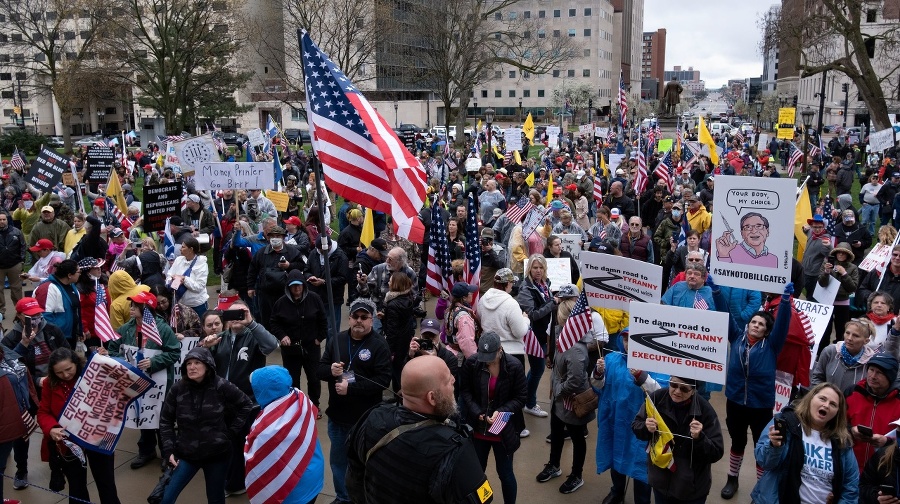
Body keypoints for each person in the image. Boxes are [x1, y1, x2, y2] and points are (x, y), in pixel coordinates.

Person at [346, 355, 490, 504]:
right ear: (432, 398)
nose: (454, 379)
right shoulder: (453, 452)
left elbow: (354, 479)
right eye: (447, 380)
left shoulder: (373, 419)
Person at [720, 283, 794, 500]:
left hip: (761, 405)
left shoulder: (772, 346)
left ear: (767, 330)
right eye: (753, 321)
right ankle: (732, 478)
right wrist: (716, 292)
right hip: (735, 401)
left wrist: (787, 301)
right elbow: (724, 314)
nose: (755, 325)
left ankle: (762, 486)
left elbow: (782, 324)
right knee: (737, 441)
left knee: (762, 445)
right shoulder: (736, 337)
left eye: (761, 324)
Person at [316, 298, 392, 504]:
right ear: (349, 319)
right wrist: (331, 371)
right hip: (338, 417)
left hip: (366, 420)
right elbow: (320, 370)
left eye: (364, 317)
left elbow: (383, 381)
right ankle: (343, 498)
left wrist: (351, 387)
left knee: (365, 463)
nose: (359, 321)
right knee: (338, 461)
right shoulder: (337, 340)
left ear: (372, 319)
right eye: (355, 317)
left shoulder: (379, 345)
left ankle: (364, 499)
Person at [199, 299, 277, 495]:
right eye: (231, 314)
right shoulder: (221, 337)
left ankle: (236, 484)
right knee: (226, 443)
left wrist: (250, 323)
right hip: (223, 401)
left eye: (240, 313)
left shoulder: (253, 336)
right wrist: (205, 347)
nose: (236, 319)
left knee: (241, 443)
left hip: (247, 402)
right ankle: (231, 479)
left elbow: (272, 345)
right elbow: (202, 365)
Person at [159, 347, 254, 504]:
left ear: (208, 365)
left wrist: (230, 432)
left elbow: (246, 404)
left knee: (215, 499)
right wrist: (168, 449)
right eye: (188, 363)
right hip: (186, 454)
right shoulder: (177, 389)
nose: (192, 367)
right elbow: (165, 420)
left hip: (217, 455)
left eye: (197, 362)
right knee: (166, 497)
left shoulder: (221, 385)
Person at [106, 291, 180, 470]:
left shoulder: (162, 329)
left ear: (146, 309)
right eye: (131, 305)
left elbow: (174, 352)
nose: (131, 309)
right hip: (136, 381)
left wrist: (154, 362)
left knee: (162, 418)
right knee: (142, 415)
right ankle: (146, 451)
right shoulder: (126, 328)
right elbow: (113, 348)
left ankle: (167, 453)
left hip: (159, 383)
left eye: (135, 306)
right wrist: (123, 361)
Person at [37, 348, 121, 504]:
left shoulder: (93, 374)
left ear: (76, 362)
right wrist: (52, 428)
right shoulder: (50, 383)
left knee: (106, 483)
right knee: (76, 487)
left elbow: (119, 381)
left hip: (98, 437)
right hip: (69, 442)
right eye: (59, 373)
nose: (66, 375)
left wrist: (107, 360)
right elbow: (43, 412)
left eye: (69, 369)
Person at [751, 382, 859, 504]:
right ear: (811, 398)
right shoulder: (786, 422)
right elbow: (764, 462)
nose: (826, 405)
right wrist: (774, 447)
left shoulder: (842, 443)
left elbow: (851, 487)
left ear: (837, 412)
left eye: (833, 404)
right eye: (822, 398)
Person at [535, 293, 596, 495]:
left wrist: (558, 391)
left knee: (577, 438)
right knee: (557, 432)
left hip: (571, 402)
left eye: (559, 313)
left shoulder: (577, 350)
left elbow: (576, 380)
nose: (556, 315)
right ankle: (554, 464)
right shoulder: (562, 334)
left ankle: (576, 475)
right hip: (558, 401)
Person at [632, 375, 725, 504]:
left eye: (684, 389)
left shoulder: (705, 411)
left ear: (693, 390)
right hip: (660, 483)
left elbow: (717, 451)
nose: (677, 391)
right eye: (673, 385)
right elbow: (636, 425)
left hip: (691, 490)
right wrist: (646, 427)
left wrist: (700, 438)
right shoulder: (657, 398)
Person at [460, 332, 527, 504]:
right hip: (478, 429)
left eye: (491, 357)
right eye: (484, 356)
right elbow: (465, 392)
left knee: (505, 473)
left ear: (500, 350)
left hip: (503, 430)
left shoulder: (514, 366)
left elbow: (520, 397)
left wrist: (502, 410)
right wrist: (477, 412)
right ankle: (484, 500)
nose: (487, 361)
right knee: (478, 473)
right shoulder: (472, 364)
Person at [594, 328, 658, 504]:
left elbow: (662, 393)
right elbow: (598, 386)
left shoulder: (655, 362)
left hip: (641, 425)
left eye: (633, 340)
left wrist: (642, 377)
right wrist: (598, 373)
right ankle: (617, 492)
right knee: (615, 456)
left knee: (640, 464)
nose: (628, 344)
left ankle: (642, 500)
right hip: (614, 421)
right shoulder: (611, 359)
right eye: (625, 339)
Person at [245, 365, 325, 504]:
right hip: (314, 474)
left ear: (262, 390)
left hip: (292, 489)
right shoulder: (300, 398)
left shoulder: (266, 428)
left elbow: (255, 457)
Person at [269, 270, 327, 413]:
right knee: (292, 380)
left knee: (314, 378)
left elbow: (323, 320)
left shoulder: (314, 299)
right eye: (293, 285)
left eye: (299, 285)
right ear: (288, 287)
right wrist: (282, 336)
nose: (296, 288)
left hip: (311, 347)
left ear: (304, 285)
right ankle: (296, 406)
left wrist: (320, 337)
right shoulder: (280, 303)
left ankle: (314, 405)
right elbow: (273, 322)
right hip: (290, 350)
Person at [517, 254, 556, 419]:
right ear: (529, 269)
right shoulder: (526, 288)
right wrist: (553, 303)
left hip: (546, 333)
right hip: (534, 336)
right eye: (535, 268)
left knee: (536, 369)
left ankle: (525, 398)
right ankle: (529, 403)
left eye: (541, 267)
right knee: (538, 368)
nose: (538, 271)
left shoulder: (545, 283)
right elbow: (532, 314)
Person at [846, 353, 900, 472]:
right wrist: (851, 431)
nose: (873, 376)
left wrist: (888, 442)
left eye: (879, 373)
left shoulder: (898, 401)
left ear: (890, 376)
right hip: (849, 467)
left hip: (883, 471)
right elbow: (835, 424)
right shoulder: (852, 392)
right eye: (871, 370)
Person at [811, 318, 882, 392]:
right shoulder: (830, 351)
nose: (849, 338)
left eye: (856, 336)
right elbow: (817, 378)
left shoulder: (871, 361)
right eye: (847, 333)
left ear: (866, 341)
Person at [33, 259, 82, 345]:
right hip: (56, 339)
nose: (80, 274)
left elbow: (76, 311)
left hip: (71, 335)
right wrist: (55, 336)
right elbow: (44, 316)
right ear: (70, 275)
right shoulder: (47, 289)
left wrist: (80, 330)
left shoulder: (72, 286)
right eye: (79, 272)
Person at [165, 236, 209, 317]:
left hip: (197, 306)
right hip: (181, 305)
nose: (180, 249)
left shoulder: (202, 264)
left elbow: (199, 287)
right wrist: (171, 280)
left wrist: (184, 279)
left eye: (183, 247)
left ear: (190, 249)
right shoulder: (178, 260)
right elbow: (169, 275)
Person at [444, 281, 479, 361]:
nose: (472, 294)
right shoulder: (464, 317)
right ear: (464, 297)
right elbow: (467, 342)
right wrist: (474, 361)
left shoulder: (449, 310)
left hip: (450, 351)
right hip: (461, 358)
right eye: (470, 292)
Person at [0, 212, 25, 317]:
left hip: (14, 265)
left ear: (7, 220)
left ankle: (20, 310)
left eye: (3, 219)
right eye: (0, 220)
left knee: (16, 288)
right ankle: (1, 311)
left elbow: (23, 246)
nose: (1, 222)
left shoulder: (17, 232)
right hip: (0, 267)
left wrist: (21, 260)